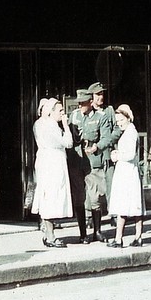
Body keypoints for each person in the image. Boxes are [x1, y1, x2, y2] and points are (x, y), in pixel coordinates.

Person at [79, 82, 121, 242]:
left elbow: (116, 130)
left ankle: (113, 214)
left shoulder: (109, 111)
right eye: (97, 95)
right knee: (91, 188)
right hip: (92, 158)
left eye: (102, 94)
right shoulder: (87, 114)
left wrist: (107, 142)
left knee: (110, 186)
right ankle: (90, 216)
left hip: (106, 155)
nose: (100, 97)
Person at [31, 97, 74, 248]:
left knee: (47, 196)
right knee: (51, 197)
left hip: (46, 162)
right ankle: (50, 236)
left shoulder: (40, 124)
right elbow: (68, 143)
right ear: (51, 112)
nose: (63, 113)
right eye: (60, 110)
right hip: (52, 164)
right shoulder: (50, 126)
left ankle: (48, 233)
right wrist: (66, 126)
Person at [107, 104, 145, 248]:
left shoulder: (131, 133)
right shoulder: (129, 131)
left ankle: (119, 239)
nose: (119, 123)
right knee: (133, 205)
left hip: (127, 172)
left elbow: (130, 155)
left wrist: (117, 156)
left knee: (126, 205)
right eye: (117, 121)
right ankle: (137, 236)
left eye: (121, 120)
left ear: (128, 118)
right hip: (126, 171)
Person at [66, 89, 94, 243]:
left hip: (90, 159)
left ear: (90, 102)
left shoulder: (97, 116)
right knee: (79, 197)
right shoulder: (74, 116)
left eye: (84, 103)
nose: (81, 106)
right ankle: (83, 233)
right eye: (79, 103)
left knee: (92, 195)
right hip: (76, 160)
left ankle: (96, 229)